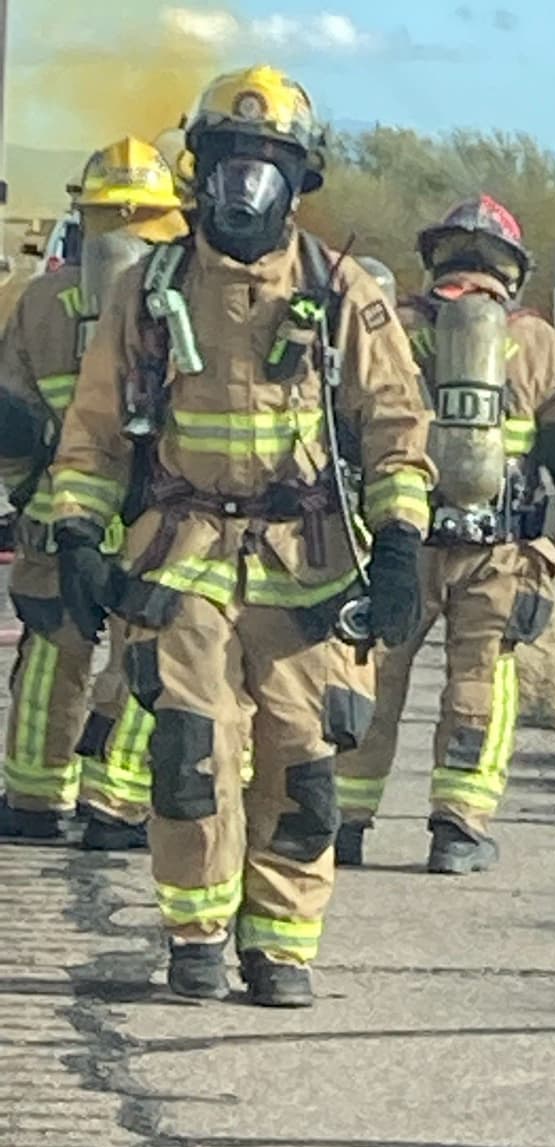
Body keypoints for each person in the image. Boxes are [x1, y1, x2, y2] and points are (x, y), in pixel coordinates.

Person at [52, 65, 433, 1007]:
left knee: (305, 763)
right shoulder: (149, 290)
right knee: (190, 752)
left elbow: (394, 429)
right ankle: (195, 931)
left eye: (268, 166)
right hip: (180, 559)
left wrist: (397, 545)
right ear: (201, 169)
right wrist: (76, 534)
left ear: (299, 180)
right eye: (229, 162)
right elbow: (95, 432)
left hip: (308, 569)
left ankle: (281, 946)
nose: (245, 186)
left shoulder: (345, 295)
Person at [334, 195, 555, 874]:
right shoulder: (539, 343)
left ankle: (343, 820)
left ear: (435, 259)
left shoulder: (392, 330)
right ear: (511, 270)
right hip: (502, 549)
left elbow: (344, 424)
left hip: (402, 536)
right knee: (481, 679)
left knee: (373, 669)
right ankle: (459, 828)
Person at [0, 138, 187, 845]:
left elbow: (9, 423)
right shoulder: (186, 299)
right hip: (158, 520)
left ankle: (34, 797)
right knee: (152, 654)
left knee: (52, 650)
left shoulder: (40, 300)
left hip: (60, 515)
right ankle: (116, 804)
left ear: (86, 215)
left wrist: (30, 498)